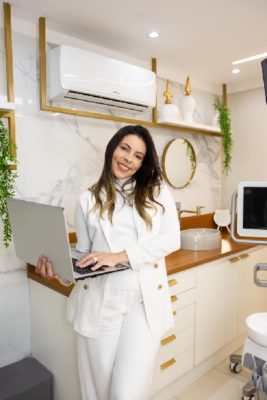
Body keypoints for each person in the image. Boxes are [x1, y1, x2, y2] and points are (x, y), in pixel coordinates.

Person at [37, 125, 180, 400]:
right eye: (125, 149)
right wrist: (59, 274)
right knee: (96, 392)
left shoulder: (157, 192)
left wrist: (121, 256)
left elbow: (172, 238)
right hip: (100, 303)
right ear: (112, 148)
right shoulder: (87, 199)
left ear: (144, 162)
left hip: (144, 303)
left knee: (127, 394)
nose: (129, 159)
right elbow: (85, 256)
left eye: (139, 156)